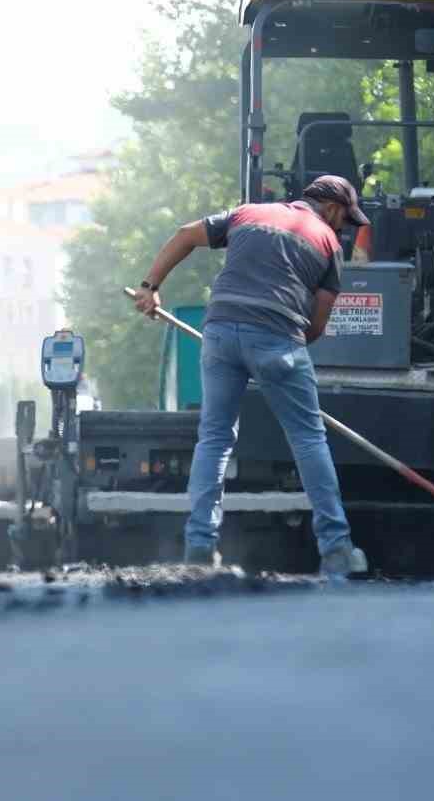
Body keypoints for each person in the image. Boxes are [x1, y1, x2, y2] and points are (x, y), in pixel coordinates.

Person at [130, 174, 371, 577]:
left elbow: (185, 234)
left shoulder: (248, 212)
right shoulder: (328, 244)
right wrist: (279, 353)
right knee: (308, 439)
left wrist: (149, 286)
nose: (343, 229)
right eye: (345, 220)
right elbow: (317, 325)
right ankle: (337, 551)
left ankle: (200, 546)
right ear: (331, 208)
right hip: (278, 341)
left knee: (215, 438)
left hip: (220, 333)